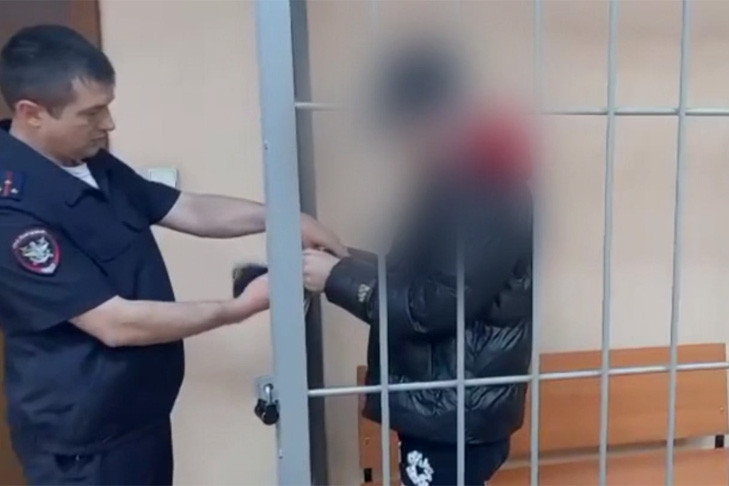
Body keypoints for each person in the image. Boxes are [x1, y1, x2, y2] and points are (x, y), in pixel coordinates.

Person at [0, 24, 345, 485]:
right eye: (92, 113)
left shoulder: (85, 160)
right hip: (84, 446)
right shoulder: (13, 209)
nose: (109, 124)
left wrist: (283, 217)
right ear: (32, 113)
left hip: (139, 417)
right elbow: (114, 323)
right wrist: (239, 308)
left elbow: (187, 208)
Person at [302, 44, 534, 486]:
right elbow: (423, 277)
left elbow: (433, 305)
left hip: (455, 414)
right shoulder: (458, 182)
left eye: (405, 128)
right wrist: (343, 257)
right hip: (444, 407)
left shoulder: (484, 191)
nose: (404, 145)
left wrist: (336, 278)